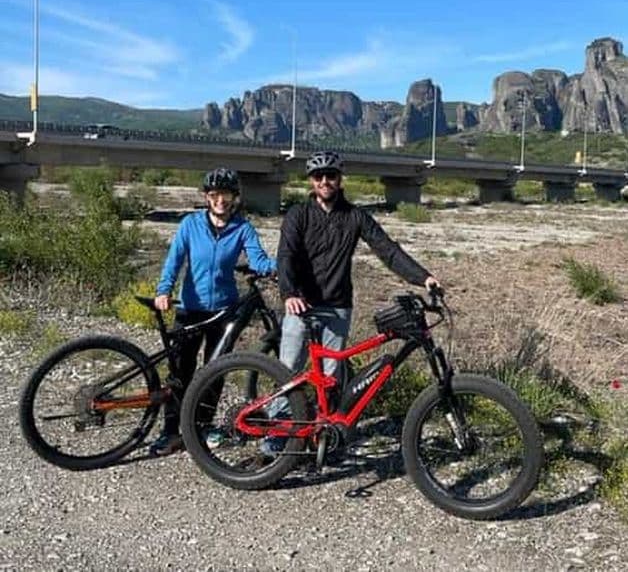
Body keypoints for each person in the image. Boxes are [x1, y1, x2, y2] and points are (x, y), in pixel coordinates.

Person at [271, 151, 439, 442]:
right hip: (301, 305)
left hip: (337, 307)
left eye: (331, 176)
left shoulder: (355, 217)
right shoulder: (298, 214)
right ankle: (274, 435)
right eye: (318, 176)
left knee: (332, 376)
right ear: (311, 181)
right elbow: (286, 256)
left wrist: (423, 277)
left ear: (340, 179)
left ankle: (324, 435)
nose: (325, 181)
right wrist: (289, 293)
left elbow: (387, 250)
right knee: (289, 372)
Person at [150, 167, 277, 456]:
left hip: (223, 312)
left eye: (226, 194)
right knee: (180, 372)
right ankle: (171, 431)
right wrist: (163, 290)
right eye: (215, 195)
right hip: (190, 309)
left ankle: (201, 428)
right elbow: (175, 260)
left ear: (234, 197)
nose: (221, 200)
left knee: (214, 372)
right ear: (207, 197)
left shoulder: (242, 228)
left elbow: (257, 259)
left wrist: (280, 266)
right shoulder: (190, 225)